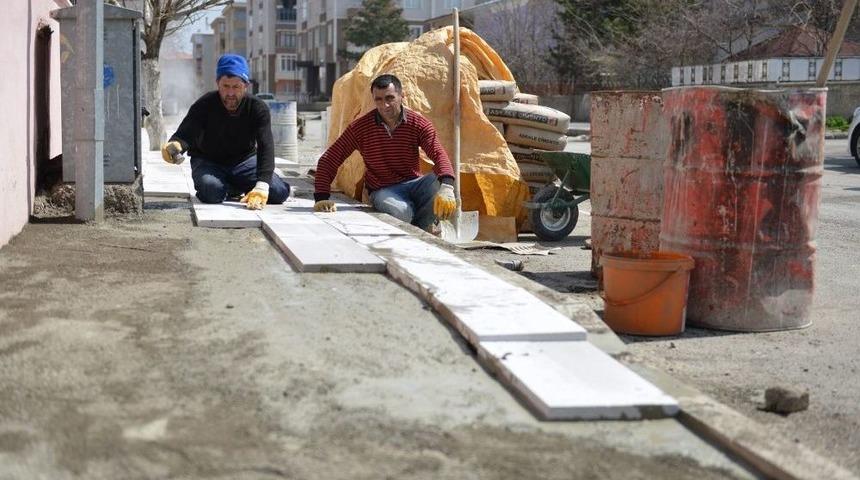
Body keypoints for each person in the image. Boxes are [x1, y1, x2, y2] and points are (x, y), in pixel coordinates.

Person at [313, 74, 457, 230]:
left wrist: (447, 187)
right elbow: (330, 159)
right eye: (379, 99)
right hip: (382, 189)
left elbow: (438, 153)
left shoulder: (418, 124)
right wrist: (321, 197)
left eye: (390, 98)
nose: (384, 105)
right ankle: (419, 228)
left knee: (441, 183)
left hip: (414, 183)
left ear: (402, 96)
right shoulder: (360, 128)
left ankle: (421, 229)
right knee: (403, 213)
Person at [160, 54, 290, 210]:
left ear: (246, 86)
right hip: (208, 161)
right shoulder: (205, 104)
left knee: (278, 193)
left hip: (244, 161)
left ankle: (234, 185)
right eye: (225, 86)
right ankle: (231, 187)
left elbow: (266, 146)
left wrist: (262, 185)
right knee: (212, 192)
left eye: (236, 87)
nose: (230, 93)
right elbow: (185, 135)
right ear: (217, 84)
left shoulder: (257, 108)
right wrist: (175, 145)